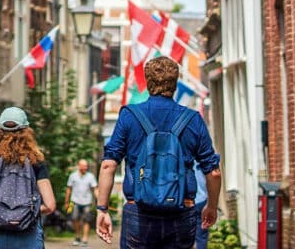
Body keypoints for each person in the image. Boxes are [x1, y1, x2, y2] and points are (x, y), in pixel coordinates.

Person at [95, 56, 221, 249]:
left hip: (138, 211)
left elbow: (108, 165)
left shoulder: (129, 116)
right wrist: (211, 206)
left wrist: (102, 209)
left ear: (147, 82)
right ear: (175, 83)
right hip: (182, 210)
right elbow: (213, 172)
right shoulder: (193, 119)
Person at [0, 106, 57, 248]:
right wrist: (25, 213)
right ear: (27, 132)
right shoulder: (36, 161)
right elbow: (50, 206)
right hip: (28, 236)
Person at [64, 159, 98, 246]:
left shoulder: (90, 176)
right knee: (75, 219)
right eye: (84, 166)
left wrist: (99, 200)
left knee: (87, 220)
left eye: (86, 166)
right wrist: (66, 202)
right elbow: (69, 189)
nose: (85, 167)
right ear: (79, 166)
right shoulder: (73, 176)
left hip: (87, 202)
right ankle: (77, 236)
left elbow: (95, 189)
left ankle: (85, 239)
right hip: (75, 201)